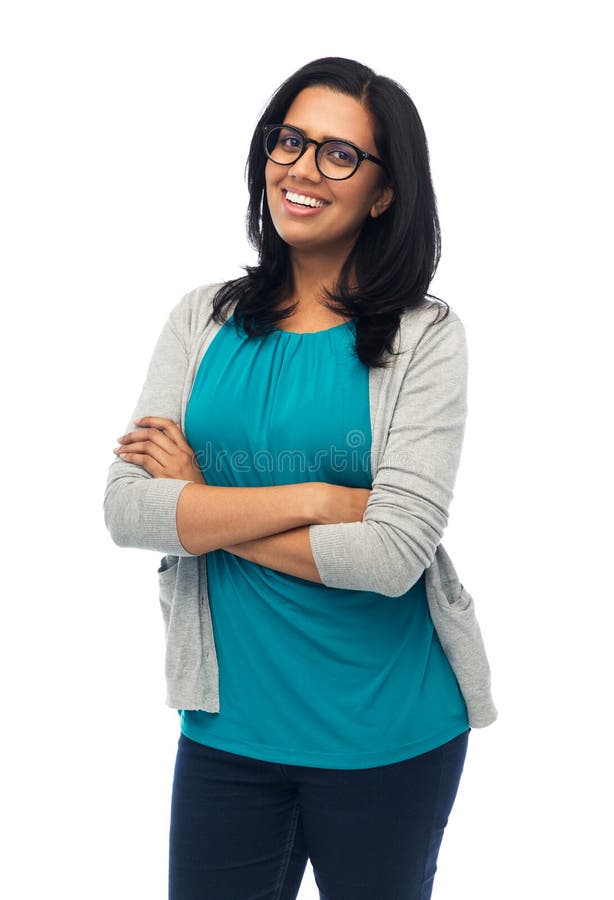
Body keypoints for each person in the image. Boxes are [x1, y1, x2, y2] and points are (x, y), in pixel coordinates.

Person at [104, 56, 497, 900]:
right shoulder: (200, 318)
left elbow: (392, 556)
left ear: (385, 192)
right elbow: (131, 510)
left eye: (339, 154)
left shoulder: (426, 339)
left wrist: (201, 501)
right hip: (226, 730)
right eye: (291, 140)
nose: (302, 169)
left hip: (388, 733)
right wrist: (321, 502)